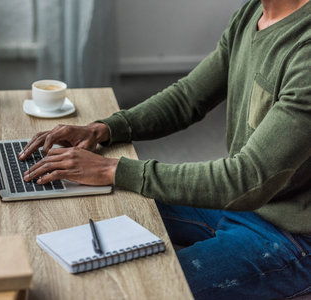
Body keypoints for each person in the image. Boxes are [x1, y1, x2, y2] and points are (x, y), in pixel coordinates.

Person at [19, 0, 311, 298]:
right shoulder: (254, 12)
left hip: (292, 234)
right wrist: (104, 129)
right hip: (241, 201)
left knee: (142, 287)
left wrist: (111, 168)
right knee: (94, 203)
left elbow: (246, 179)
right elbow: (188, 98)